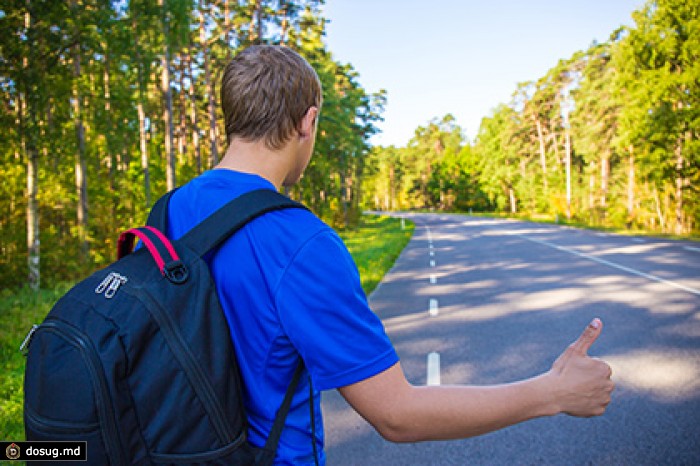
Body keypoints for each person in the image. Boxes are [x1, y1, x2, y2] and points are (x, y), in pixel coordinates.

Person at [165, 45, 614, 465]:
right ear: (307, 121)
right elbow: (396, 414)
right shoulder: (301, 242)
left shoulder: (167, 211)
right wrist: (552, 393)